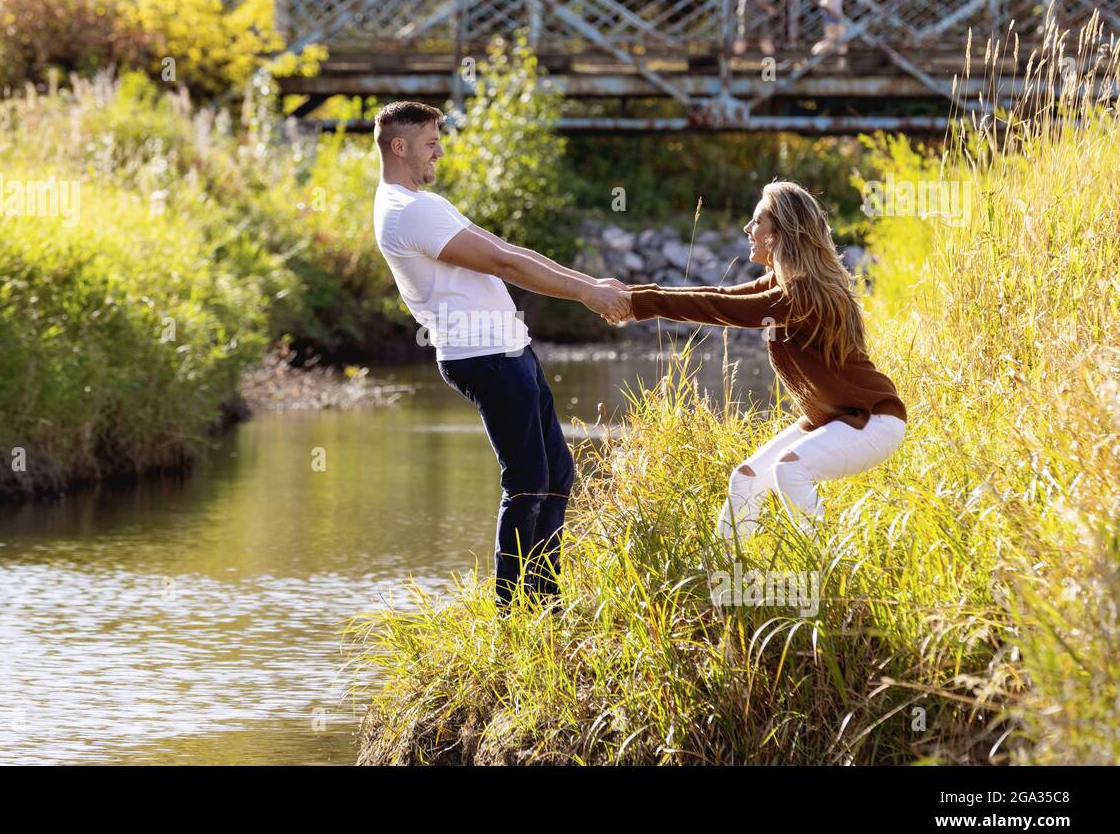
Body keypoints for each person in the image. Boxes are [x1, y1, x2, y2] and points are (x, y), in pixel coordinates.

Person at [370, 101, 628, 612]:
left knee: (557, 475)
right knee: (528, 481)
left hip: (509, 347)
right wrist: (587, 295)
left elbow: (507, 250)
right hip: (483, 355)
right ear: (399, 148)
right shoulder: (406, 211)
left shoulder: (425, 202)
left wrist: (590, 284)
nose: (439, 151)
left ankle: (545, 599)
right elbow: (505, 263)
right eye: (430, 143)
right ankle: (514, 612)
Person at [610, 181, 907, 545]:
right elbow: (718, 295)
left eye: (756, 222)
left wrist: (639, 303)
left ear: (780, 231)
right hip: (839, 419)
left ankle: (825, 567)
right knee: (747, 478)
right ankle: (719, 579)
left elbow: (721, 310)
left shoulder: (801, 292)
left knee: (790, 468)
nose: (748, 230)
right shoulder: (782, 283)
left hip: (875, 420)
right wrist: (632, 296)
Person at [812, 0, 846, 69]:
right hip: (831, 16)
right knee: (830, 42)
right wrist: (837, 14)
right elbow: (827, 3)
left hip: (837, 16)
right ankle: (814, 53)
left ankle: (842, 65)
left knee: (843, 41)